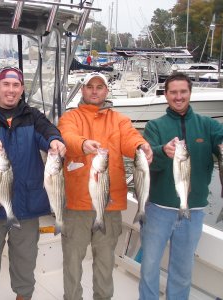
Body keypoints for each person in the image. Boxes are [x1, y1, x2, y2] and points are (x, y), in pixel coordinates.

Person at [0, 66, 66, 300]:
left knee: (25, 261)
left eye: (16, 85)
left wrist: (55, 141)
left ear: (21, 89)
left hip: (27, 206)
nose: (11, 90)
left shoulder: (33, 116)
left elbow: (47, 130)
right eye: (6, 85)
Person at [57, 72, 153, 300]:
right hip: (76, 205)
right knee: (72, 261)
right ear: (82, 90)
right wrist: (82, 143)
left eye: (100, 87)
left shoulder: (119, 119)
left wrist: (141, 146)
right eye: (90, 86)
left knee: (105, 262)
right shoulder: (70, 118)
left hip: (109, 205)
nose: (95, 90)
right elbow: (65, 137)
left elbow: (130, 138)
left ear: (106, 91)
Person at [139, 73, 223, 299]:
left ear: (190, 93)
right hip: (158, 209)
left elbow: (220, 139)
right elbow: (148, 163)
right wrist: (160, 152)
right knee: (149, 267)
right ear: (165, 95)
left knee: (183, 271)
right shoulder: (155, 127)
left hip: (193, 211)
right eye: (173, 92)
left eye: (183, 92)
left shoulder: (208, 125)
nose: (178, 97)